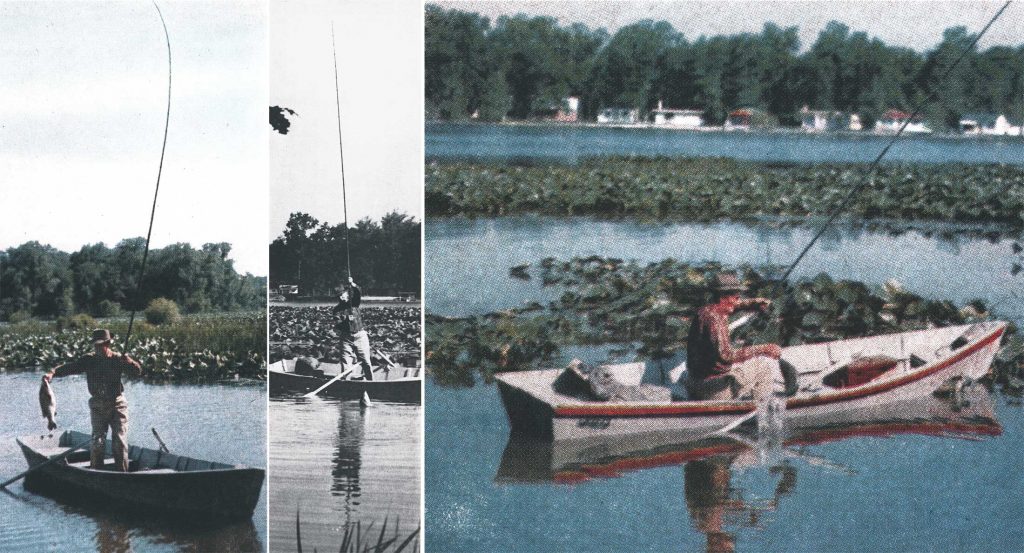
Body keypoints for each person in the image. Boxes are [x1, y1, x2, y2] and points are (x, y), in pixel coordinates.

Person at [43, 328, 142, 471]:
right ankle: (96, 473)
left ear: (108, 344)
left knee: (119, 442)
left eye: (101, 344)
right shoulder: (88, 360)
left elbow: (137, 372)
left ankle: (122, 475)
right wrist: (52, 373)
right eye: (95, 345)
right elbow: (70, 368)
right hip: (97, 405)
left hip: (117, 404)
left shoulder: (117, 358)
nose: (98, 348)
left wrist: (130, 362)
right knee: (97, 442)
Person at [685, 273, 781, 400]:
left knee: (745, 364)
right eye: (736, 296)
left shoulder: (706, 310)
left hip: (696, 383)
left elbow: (736, 305)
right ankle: (762, 413)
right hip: (713, 389)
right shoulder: (715, 319)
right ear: (722, 297)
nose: (738, 299)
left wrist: (754, 302)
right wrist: (763, 348)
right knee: (764, 366)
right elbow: (726, 356)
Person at [333, 276, 374, 380]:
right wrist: (346, 320)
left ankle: (371, 382)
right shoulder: (337, 310)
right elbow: (338, 324)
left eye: (342, 295)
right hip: (346, 338)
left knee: (366, 361)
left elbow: (358, 292)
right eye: (339, 296)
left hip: (360, 335)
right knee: (346, 363)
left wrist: (353, 284)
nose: (341, 298)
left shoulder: (355, 302)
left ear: (346, 293)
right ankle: (347, 383)